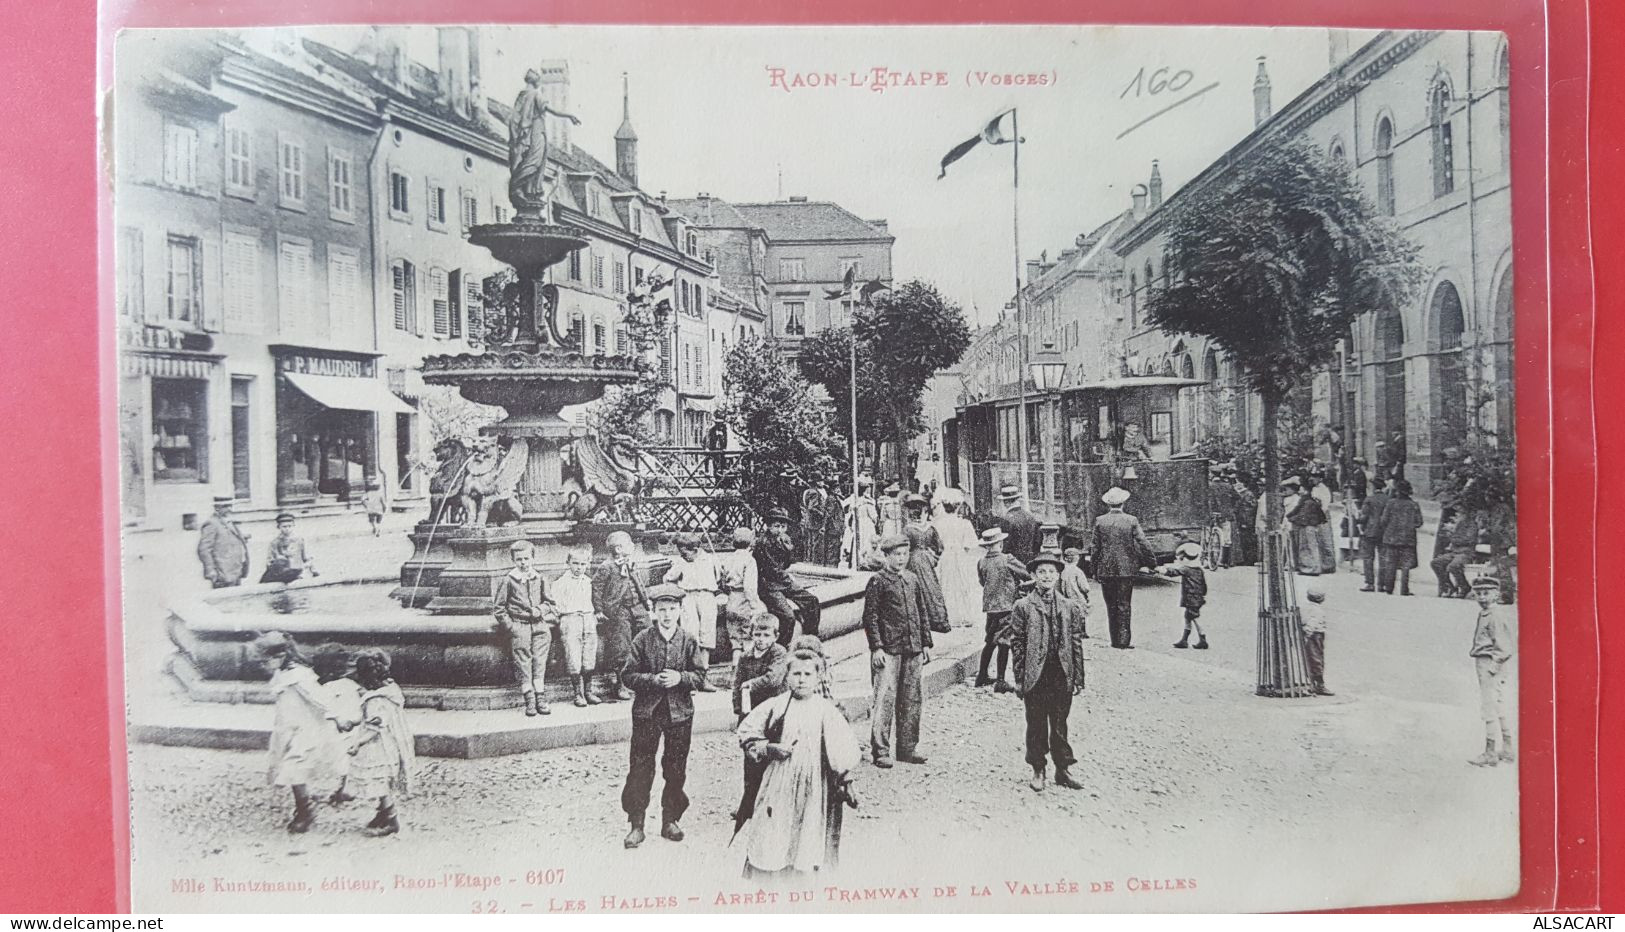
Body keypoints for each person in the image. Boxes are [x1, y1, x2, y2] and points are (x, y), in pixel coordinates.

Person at [733, 650, 862, 879]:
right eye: (796, 674)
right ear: (787, 676)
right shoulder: (776, 706)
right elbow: (748, 731)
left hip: (813, 783)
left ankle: (799, 880)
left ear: (818, 677)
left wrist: (848, 783)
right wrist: (768, 748)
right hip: (779, 781)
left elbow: (841, 749)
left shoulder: (826, 710)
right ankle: (771, 877)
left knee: (807, 828)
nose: (801, 679)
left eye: (807, 674)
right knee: (774, 826)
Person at [620, 584, 707, 848]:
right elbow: (628, 676)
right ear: (653, 611)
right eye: (661, 610)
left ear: (680, 610)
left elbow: (701, 676)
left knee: (675, 767)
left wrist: (681, 677)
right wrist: (653, 680)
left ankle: (671, 819)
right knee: (640, 767)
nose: (667, 615)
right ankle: (636, 824)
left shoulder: (689, 640)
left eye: (672, 609)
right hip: (648, 713)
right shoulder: (642, 639)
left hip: (680, 713)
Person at [1010, 552, 1088, 793]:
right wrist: (1021, 679)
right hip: (1036, 675)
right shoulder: (1023, 607)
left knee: (1059, 723)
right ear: (1033, 576)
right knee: (1036, 723)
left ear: (1058, 575)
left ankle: (1063, 769)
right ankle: (1038, 768)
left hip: (1060, 673)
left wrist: (1078, 677)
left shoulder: (1069, 606)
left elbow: (1076, 642)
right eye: (1042, 572)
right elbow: (1018, 645)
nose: (1047, 576)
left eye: (1052, 572)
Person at [253, 632, 345, 834]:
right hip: (288, 729)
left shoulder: (298, 676)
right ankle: (304, 806)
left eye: (264, 661)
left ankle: (305, 811)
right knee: (290, 767)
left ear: (280, 656)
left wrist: (337, 717)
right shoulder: (282, 674)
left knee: (294, 769)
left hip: (306, 730)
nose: (261, 666)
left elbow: (319, 697)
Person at [861, 534, 932, 769]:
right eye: (896, 555)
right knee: (885, 699)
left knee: (912, 699)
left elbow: (921, 613)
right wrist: (877, 647)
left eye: (905, 554)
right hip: (889, 650)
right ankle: (880, 750)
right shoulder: (878, 581)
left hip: (912, 648)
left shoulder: (912, 580)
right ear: (886, 556)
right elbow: (870, 617)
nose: (901, 559)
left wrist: (925, 644)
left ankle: (907, 748)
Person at [346, 648, 415, 837]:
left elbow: (374, 728)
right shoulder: (391, 690)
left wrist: (358, 743)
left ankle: (392, 819)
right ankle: (382, 813)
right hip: (393, 741)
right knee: (382, 779)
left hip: (379, 746)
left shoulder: (375, 701)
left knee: (379, 782)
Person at [493, 540, 557, 717]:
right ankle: (529, 698)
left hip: (539, 626)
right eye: (519, 559)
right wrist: (511, 627)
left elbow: (550, 603)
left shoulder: (540, 578)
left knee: (540, 661)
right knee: (523, 662)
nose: (523, 563)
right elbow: (499, 609)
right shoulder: (509, 580)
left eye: (526, 559)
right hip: (519, 626)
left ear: (533, 559)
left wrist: (539, 610)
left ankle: (540, 696)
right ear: (513, 560)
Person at [1091, 486, 1156, 650]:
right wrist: (1151, 563)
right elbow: (1143, 543)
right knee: (1124, 604)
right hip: (1126, 569)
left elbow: (1095, 548)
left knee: (1110, 605)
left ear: (1108, 504)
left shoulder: (1100, 521)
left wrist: (1094, 569)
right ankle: (1124, 641)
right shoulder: (1131, 520)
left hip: (1106, 570)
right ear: (1123, 503)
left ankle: (1114, 640)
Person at [594, 530, 649, 702]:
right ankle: (621, 683)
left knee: (647, 638)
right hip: (619, 610)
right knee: (621, 646)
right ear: (618, 549)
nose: (632, 546)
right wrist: (599, 610)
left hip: (637, 607)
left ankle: (645, 680)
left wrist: (646, 602)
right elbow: (597, 588)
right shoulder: (606, 566)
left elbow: (638, 583)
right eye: (629, 543)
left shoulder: (630, 562)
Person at [1467, 575, 1515, 767]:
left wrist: (1493, 668)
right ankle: (1508, 748)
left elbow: (1504, 647)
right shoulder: (1486, 613)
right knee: (1498, 705)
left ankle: (1490, 751)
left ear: (1496, 595)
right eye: (1478, 594)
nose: (1482, 597)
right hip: (1486, 662)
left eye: (1486, 593)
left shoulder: (1494, 615)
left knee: (1489, 706)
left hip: (1490, 664)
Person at [976, 527, 1030, 692]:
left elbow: (982, 582)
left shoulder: (982, 562)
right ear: (999, 543)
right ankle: (1000, 681)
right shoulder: (1007, 559)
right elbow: (1026, 574)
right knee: (1004, 642)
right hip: (1006, 605)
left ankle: (982, 675)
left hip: (990, 608)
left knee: (990, 641)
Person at [757, 508, 821, 646]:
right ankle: (780, 647)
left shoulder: (782, 540)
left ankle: (810, 640)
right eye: (776, 526)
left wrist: (788, 549)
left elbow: (787, 565)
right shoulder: (763, 543)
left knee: (812, 601)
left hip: (782, 582)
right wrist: (789, 579)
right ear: (768, 526)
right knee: (788, 616)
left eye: (783, 526)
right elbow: (771, 569)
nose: (780, 530)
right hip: (769, 585)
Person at [665, 532, 721, 690]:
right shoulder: (680, 562)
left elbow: (718, 577)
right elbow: (668, 578)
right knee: (691, 635)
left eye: (686, 553)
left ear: (695, 549)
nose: (683, 556)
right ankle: (689, 679)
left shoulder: (710, 559)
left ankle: (703, 678)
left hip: (707, 596)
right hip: (688, 597)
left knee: (707, 635)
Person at [311, 644, 362, 805]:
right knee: (336, 760)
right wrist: (338, 718)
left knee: (346, 759)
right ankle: (332, 790)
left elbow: (360, 696)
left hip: (350, 726)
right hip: (336, 729)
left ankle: (341, 789)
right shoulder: (325, 687)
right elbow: (325, 707)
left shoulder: (347, 684)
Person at [554, 547, 600, 708]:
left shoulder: (589, 582)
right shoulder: (560, 583)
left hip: (588, 618)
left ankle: (588, 690)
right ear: (568, 563)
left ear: (587, 564)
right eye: (575, 563)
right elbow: (556, 604)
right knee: (574, 656)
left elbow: (594, 600)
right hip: (570, 618)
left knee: (589, 656)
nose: (579, 567)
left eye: (582, 564)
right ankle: (578, 693)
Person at [902, 494, 952, 635]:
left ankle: (918, 620)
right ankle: (936, 619)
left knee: (913, 588)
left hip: (912, 560)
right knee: (930, 587)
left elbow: (903, 548)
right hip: (926, 560)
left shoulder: (908, 530)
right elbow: (940, 547)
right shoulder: (929, 528)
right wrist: (933, 557)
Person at [932, 498, 982, 627]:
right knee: (963, 584)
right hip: (960, 555)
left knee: (947, 585)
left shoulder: (937, 523)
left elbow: (935, 545)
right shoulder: (964, 523)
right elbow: (969, 545)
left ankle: (949, 616)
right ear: (958, 507)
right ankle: (965, 616)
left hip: (945, 556)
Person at [717, 527, 765, 655]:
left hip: (731, 601)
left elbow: (722, 582)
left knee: (735, 640)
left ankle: (735, 668)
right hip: (744, 603)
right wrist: (755, 606)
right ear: (750, 542)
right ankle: (746, 669)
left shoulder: (728, 559)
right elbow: (749, 587)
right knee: (748, 638)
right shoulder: (749, 560)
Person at [733, 614, 788, 721]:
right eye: (757, 635)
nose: (761, 639)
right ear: (751, 635)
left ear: (775, 637)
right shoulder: (745, 656)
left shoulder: (779, 653)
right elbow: (737, 682)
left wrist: (751, 684)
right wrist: (738, 706)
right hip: (752, 705)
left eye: (766, 635)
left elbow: (773, 679)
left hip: (774, 703)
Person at [1375, 479, 1424, 596]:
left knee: (1391, 563)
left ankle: (1389, 587)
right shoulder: (1414, 505)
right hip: (1408, 539)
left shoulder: (1391, 503)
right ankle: (1404, 589)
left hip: (1391, 538)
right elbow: (1419, 522)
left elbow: (1383, 520)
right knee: (1405, 566)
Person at [1161, 542, 1209, 650]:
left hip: (1191, 598)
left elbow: (1173, 572)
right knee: (1188, 617)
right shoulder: (1199, 570)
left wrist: (1161, 570)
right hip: (1197, 598)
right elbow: (1204, 586)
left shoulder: (1186, 569)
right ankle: (1184, 640)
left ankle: (1203, 639)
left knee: (1194, 618)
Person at [198, 494, 251, 589]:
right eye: (226, 507)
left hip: (235, 570)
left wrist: (242, 538)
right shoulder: (212, 523)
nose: (230, 509)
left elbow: (226, 538)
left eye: (231, 506)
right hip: (222, 573)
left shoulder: (228, 521)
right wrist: (211, 570)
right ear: (217, 508)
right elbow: (204, 549)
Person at [1431, 508, 1480, 598]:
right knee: (1435, 563)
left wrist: (1453, 538)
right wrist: (1453, 537)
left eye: (1461, 513)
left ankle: (1464, 586)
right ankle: (1449, 586)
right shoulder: (1460, 524)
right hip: (1454, 552)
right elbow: (1455, 539)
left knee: (1453, 566)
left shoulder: (1472, 526)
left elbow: (1469, 540)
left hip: (1466, 553)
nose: (1459, 516)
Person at [1281, 478, 1323, 577]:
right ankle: (1309, 567)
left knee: (1308, 547)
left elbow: (1303, 515)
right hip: (1305, 525)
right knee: (1306, 547)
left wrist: (1291, 518)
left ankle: (1312, 568)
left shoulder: (1307, 501)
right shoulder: (1306, 500)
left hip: (1307, 526)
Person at [260, 513, 318, 584]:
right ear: (279, 527)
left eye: (289, 526)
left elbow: (307, 559)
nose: (287, 529)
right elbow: (270, 561)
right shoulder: (275, 543)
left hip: (299, 572)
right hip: (281, 574)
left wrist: (311, 570)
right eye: (284, 527)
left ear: (293, 526)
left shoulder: (299, 540)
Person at [1358, 478, 1392, 592]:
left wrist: (1358, 520)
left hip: (1370, 531)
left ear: (1373, 487)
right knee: (1383, 558)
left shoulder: (1369, 499)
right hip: (1384, 532)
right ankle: (1382, 584)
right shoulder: (1388, 500)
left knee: (1368, 558)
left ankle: (1370, 583)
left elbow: (1364, 517)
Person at [840, 476, 880, 569]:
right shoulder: (868, 502)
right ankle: (866, 562)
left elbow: (847, 510)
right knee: (867, 543)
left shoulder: (852, 500)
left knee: (858, 542)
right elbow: (874, 517)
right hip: (867, 524)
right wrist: (875, 522)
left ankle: (856, 561)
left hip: (856, 523)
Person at [997, 484, 1041, 566]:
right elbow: (1037, 541)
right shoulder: (1030, 516)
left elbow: (1005, 546)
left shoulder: (1006, 520)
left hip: (1013, 563)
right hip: (1030, 561)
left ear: (1006, 502)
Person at [1300, 584, 1332, 696]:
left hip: (1309, 634)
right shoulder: (1318, 611)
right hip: (1315, 635)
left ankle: (1312, 683)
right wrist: (1308, 634)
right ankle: (1319, 685)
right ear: (1321, 599)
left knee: (1312, 659)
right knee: (1317, 659)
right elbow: (1312, 623)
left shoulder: (1305, 607)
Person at [1058, 546, 1092, 637]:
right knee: (1081, 613)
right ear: (1076, 558)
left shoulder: (1063, 569)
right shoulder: (1078, 571)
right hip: (1077, 595)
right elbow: (1085, 587)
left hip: (1066, 595)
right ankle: (1082, 631)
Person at [1309, 470, 1338, 574]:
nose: (1312, 479)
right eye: (1312, 476)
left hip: (1322, 515)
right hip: (1315, 515)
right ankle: (1322, 564)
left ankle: (1329, 565)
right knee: (1318, 540)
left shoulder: (1324, 489)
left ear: (1320, 478)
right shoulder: (1313, 489)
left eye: (1315, 477)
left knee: (1326, 540)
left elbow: (1325, 505)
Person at [1229, 471, 1259, 567]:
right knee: (1243, 540)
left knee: (1247, 540)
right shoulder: (1243, 494)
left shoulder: (1247, 494)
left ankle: (1249, 560)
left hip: (1246, 520)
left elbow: (1249, 509)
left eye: (1238, 482)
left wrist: (1245, 521)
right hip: (1242, 520)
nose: (1236, 484)